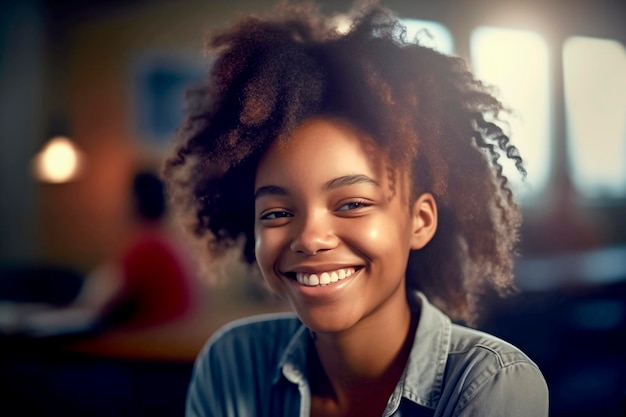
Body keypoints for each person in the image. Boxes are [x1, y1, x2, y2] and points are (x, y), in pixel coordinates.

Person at [163, 2, 549, 416]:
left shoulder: (489, 384)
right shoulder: (232, 364)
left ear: (419, 222)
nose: (310, 237)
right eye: (275, 213)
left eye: (351, 204)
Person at [9, 170, 199, 336]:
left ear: (134, 202)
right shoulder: (169, 242)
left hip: (153, 350)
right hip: (171, 344)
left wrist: (40, 316)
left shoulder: (147, 246)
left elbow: (97, 305)